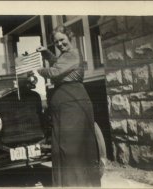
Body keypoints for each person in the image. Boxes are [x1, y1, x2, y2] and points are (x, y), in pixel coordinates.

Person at [36, 25, 101, 187]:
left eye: (62, 40)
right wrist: (46, 53)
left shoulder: (73, 54)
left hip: (74, 106)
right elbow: (58, 64)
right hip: (65, 106)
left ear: (69, 37)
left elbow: (54, 72)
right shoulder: (65, 56)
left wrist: (38, 70)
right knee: (64, 148)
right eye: (56, 42)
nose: (60, 44)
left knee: (72, 149)